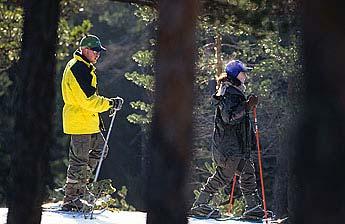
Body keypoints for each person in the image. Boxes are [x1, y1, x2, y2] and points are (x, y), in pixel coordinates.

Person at [190, 60, 265, 219]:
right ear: (235, 74)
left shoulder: (235, 91)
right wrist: (247, 106)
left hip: (238, 147)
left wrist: (251, 140)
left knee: (247, 173)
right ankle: (199, 205)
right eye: (243, 72)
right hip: (228, 148)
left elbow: (241, 122)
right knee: (224, 175)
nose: (245, 75)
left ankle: (253, 208)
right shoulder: (228, 93)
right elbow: (229, 118)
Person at [61, 34, 123, 211]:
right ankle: (71, 199)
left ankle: (80, 189)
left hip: (88, 121)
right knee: (78, 161)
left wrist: (107, 104)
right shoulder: (78, 68)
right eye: (95, 51)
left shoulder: (84, 67)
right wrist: (109, 103)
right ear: (85, 50)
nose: (98, 55)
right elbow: (88, 101)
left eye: (99, 52)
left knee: (101, 149)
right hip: (80, 122)